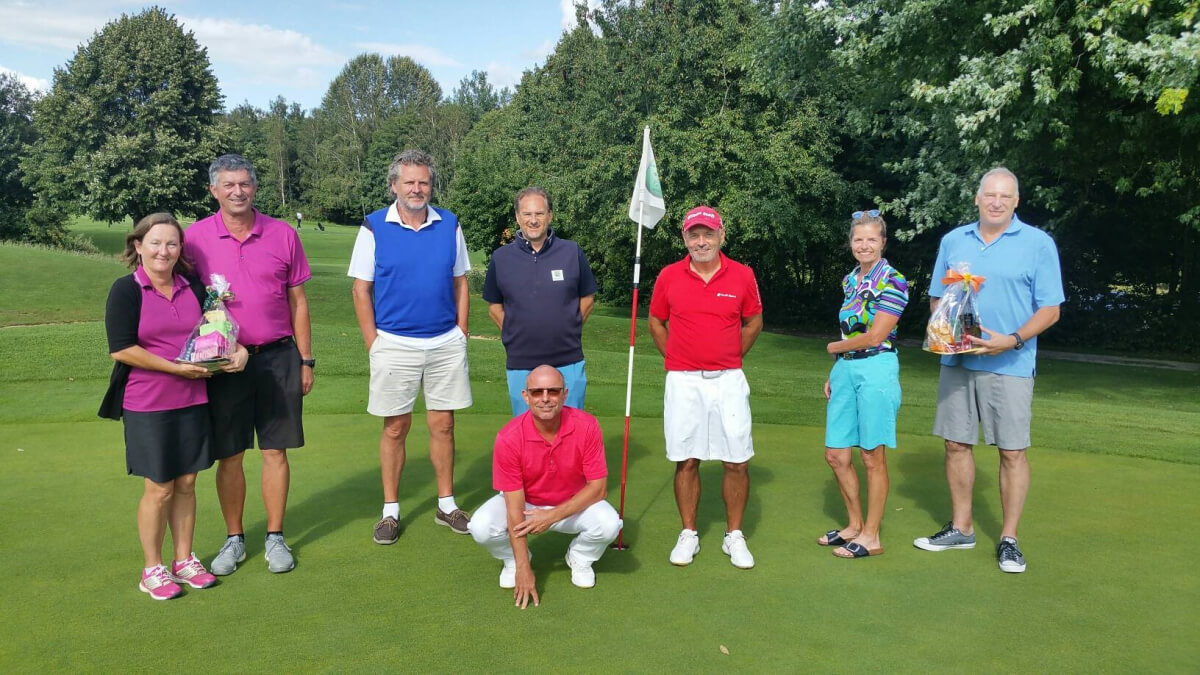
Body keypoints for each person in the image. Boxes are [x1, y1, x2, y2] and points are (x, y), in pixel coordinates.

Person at [913, 167, 1063, 574]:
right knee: (955, 443)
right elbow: (936, 300)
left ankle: (1009, 539)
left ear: (1016, 202)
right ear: (977, 198)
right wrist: (953, 336)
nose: (996, 202)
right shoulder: (953, 240)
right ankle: (962, 528)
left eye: (1005, 196)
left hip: (1011, 361)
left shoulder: (1038, 244)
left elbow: (1050, 310)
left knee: (1012, 451)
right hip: (959, 360)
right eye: (989, 195)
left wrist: (1011, 339)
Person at [101, 213, 247, 599]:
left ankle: (184, 560)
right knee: (160, 487)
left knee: (186, 482)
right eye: (155, 242)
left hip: (194, 399)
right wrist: (176, 368)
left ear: (180, 249)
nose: (163, 251)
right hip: (148, 403)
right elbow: (122, 348)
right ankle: (153, 568)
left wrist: (240, 350)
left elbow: (218, 331)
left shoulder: (194, 288)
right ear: (137, 246)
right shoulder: (126, 290)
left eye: (171, 243)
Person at [186, 154, 315, 575]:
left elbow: (298, 302)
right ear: (214, 191)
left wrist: (306, 359)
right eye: (228, 184)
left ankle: (275, 537)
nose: (237, 191)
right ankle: (234, 539)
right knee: (231, 454)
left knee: (275, 451)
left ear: (255, 188)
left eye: (244, 183)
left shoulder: (282, 234)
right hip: (223, 363)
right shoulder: (195, 238)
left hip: (278, 356)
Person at [348, 149, 474, 544]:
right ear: (394, 186)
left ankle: (447, 504)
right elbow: (361, 289)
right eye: (410, 182)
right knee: (396, 428)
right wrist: (374, 343)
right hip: (394, 342)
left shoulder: (449, 223)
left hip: (443, 342)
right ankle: (390, 511)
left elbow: (461, 282)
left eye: (424, 182)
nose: (417, 189)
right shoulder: (373, 227)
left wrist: (461, 331)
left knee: (444, 424)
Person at [647, 205, 763, 570]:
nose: (701, 241)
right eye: (694, 234)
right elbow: (656, 320)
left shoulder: (742, 275)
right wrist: (679, 358)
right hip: (683, 381)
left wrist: (729, 355)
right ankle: (689, 533)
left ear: (721, 235)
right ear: (685, 238)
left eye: (707, 234)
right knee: (686, 458)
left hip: (728, 379)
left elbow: (754, 321)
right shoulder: (669, 275)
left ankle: (734, 536)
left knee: (736, 459)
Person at [467, 366, 622, 607]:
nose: (546, 398)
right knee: (480, 526)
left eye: (553, 391)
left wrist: (550, 517)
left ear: (565, 394)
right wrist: (523, 567)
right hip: (527, 505)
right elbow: (514, 507)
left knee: (610, 524)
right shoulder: (509, 437)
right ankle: (512, 559)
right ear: (526, 396)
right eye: (537, 392)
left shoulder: (587, 425)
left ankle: (580, 557)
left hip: (573, 504)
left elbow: (598, 489)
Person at [818, 210, 908, 559]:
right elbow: (851, 330)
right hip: (846, 369)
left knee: (871, 456)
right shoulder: (850, 280)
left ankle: (872, 535)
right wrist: (837, 366)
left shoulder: (895, 280)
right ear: (851, 243)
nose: (864, 245)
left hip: (877, 369)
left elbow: (877, 335)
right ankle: (854, 525)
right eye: (858, 239)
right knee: (836, 455)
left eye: (872, 239)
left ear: (883, 242)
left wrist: (834, 348)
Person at [483, 187, 597, 415]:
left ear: (550, 216)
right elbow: (494, 307)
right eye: (527, 214)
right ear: (517, 217)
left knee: (571, 430)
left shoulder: (571, 251)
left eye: (539, 214)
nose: (533, 220)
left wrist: (569, 327)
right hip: (520, 362)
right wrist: (514, 334)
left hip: (568, 359)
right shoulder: (501, 258)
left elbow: (588, 298)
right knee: (526, 434)